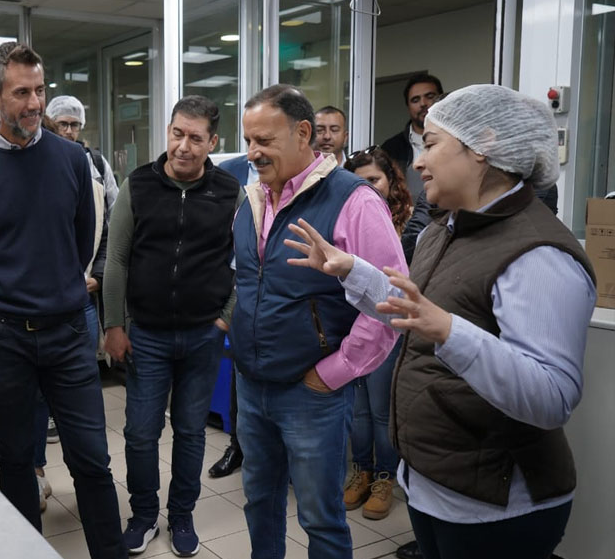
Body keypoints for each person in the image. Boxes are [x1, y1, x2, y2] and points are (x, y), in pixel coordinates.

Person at [286, 84, 596, 559]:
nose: (418, 163)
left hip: (496, 506)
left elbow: (551, 398)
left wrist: (450, 331)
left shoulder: (539, 254)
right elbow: (417, 313)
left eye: (431, 145)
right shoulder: (444, 228)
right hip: (434, 486)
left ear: (483, 146)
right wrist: (352, 270)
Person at [0, 42, 126, 559]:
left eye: (39, 90)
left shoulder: (72, 160)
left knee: (91, 458)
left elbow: (83, 239)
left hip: (68, 333)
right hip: (4, 339)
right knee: (17, 459)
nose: (34, 103)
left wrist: (58, 288)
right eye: (21, 92)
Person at [231, 84, 406, 559]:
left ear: (303, 133)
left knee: (320, 518)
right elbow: (249, 279)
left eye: (264, 140)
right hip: (252, 384)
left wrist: (334, 372)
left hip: (311, 393)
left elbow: (390, 301)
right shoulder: (253, 198)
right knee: (260, 503)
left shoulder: (353, 200)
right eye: (248, 140)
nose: (253, 152)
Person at [103, 95, 239, 556]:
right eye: (177, 133)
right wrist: (114, 324)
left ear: (212, 142)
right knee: (141, 432)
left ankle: (182, 515)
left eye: (195, 138)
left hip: (204, 335)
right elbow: (117, 259)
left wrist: (226, 318)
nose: (183, 146)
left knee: (191, 431)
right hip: (147, 334)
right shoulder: (138, 185)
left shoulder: (229, 192)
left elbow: (246, 262)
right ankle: (143, 515)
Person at [29, 114, 111, 512]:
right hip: (27, 314)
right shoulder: (20, 183)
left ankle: (87, 479)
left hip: (77, 306)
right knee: (34, 402)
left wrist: (94, 275)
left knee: (80, 403)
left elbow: (104, 232)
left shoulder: (87, 176)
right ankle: (36, 472)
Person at [340, 147, 413, 522]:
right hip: (351, 326)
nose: (367, 188)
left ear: (391, 181)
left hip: (387, 328)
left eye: (374, 180)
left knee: (382, 410)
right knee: (358, 409)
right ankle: (362, 471)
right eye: (360, 182)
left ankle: (385, 477)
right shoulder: (347, 217)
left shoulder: (408, 223)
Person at [207, 154, 255, 480]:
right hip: (240, 283)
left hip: (285, 289)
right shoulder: (230, 171)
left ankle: (283, 458)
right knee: (240, 372)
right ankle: (237, 446)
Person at [46, 95, 120, 216]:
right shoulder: (44, 160)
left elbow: (114, 207)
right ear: (51, 124)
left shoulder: (96, 163)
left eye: (74, 125)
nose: (69, 131)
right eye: (63, 124)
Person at [381, 74, 443, 201]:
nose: (423, 103)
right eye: (415, 100)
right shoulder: (391, 149)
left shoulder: (456, 141)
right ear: (408, 107)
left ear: (441, 100)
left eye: (430, 96)